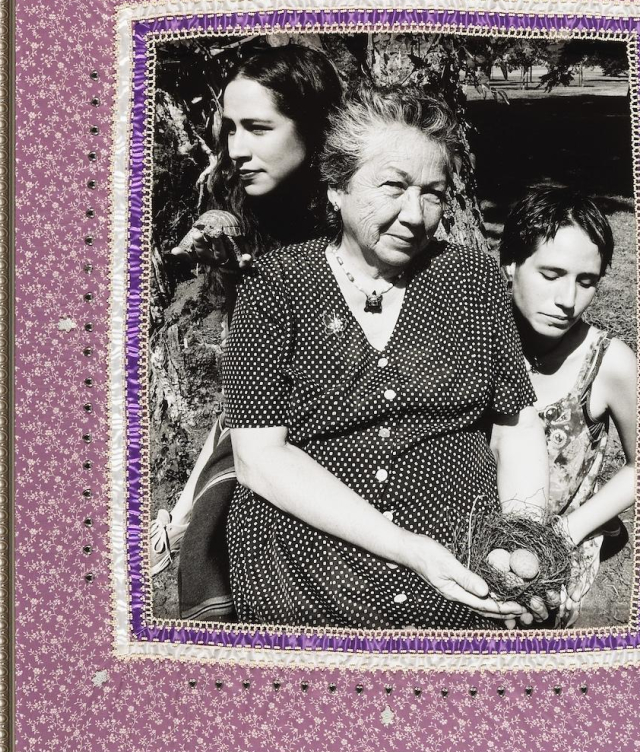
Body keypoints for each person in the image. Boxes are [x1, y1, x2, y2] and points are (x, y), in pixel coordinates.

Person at [223, 86, 550, 629]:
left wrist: (517, 545)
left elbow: (515, 426)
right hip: (304, 575)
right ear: (337, 187)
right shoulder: (274, 287)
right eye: (394, 187)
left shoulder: (472, 279)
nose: (415, 216)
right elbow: (259, 458)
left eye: (434, 193)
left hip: (462, 571)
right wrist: (408, 549)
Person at [148, 44, 344, 622]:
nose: (235, 150)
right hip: (260, 426)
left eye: (258, 127)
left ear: (315, 128)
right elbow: (249, 376)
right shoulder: (251, 222)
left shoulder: (357, 226)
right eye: (230, 128)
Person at [500, 185, 638, 628]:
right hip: (479, 537)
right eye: (551, 273)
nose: (567, 300)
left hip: (562, 542)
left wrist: (567, 532)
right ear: (511, 264)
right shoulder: (478, 341)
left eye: (586, 281)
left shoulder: (608, 363)